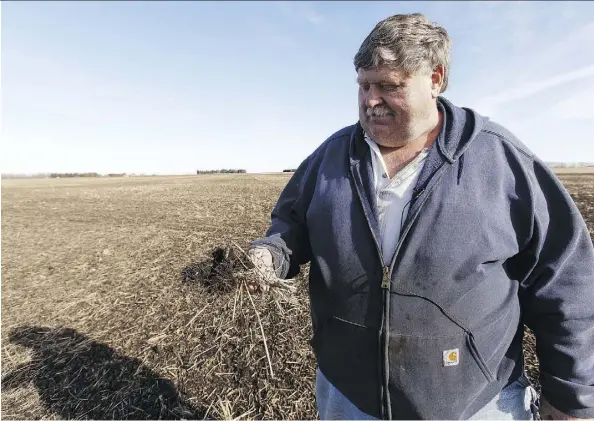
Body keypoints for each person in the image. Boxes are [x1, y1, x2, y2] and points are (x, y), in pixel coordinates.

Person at [248, 13, 594, 420]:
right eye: (363, 85)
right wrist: (268, 256)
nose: (370, 100)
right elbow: (290, 228)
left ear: (435, 78)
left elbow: (566, 282)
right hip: (348, 396)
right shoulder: (331, 156)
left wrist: (572, 398)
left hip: (475, 403)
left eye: (389, 86)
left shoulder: (501, 163)